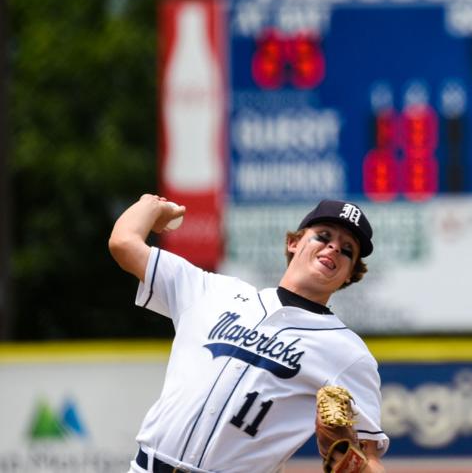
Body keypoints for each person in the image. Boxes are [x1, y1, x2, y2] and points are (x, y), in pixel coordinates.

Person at [109, 194, 388, 473]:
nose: (334, 247)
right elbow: (124, 243)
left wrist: (356, 466)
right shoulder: (213, 292)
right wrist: (152, 204)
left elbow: (371, 460)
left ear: (350, 275)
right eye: (324, 236)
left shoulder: (348, 353)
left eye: (348, 249)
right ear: (293, 242)